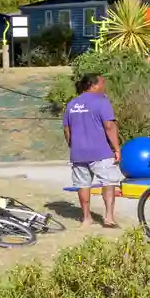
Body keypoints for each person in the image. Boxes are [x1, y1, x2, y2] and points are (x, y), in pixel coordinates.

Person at [62, 72, 122, 228]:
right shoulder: (102, 102)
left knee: (83, 185)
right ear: (93, 85)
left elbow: (67, 130)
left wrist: (72, 145)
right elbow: (109, 126)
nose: (104, 86)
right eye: (102, 83)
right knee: (108, 183)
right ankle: (108, 218)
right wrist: (116, 148)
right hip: (100, 152)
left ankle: (87, 218)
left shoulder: (72, 104)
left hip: (78, 153)